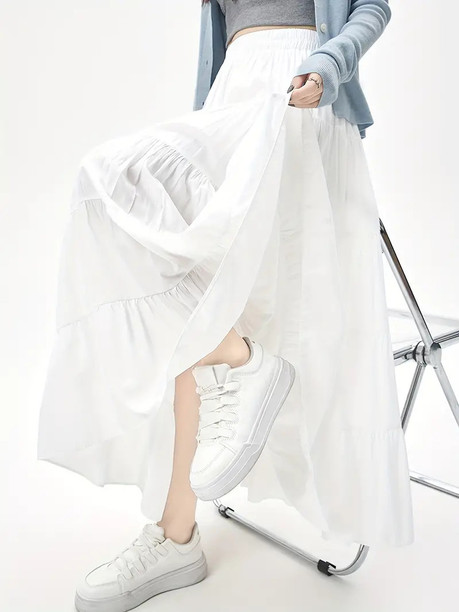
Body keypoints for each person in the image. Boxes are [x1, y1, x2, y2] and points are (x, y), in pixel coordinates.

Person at [37, 1, 415, 611]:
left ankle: (176, 531)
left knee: (214, 282)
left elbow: (371, 6)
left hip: (302, 93)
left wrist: (330, 65)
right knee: (124, 199)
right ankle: (234, 367)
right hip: (231, 102)